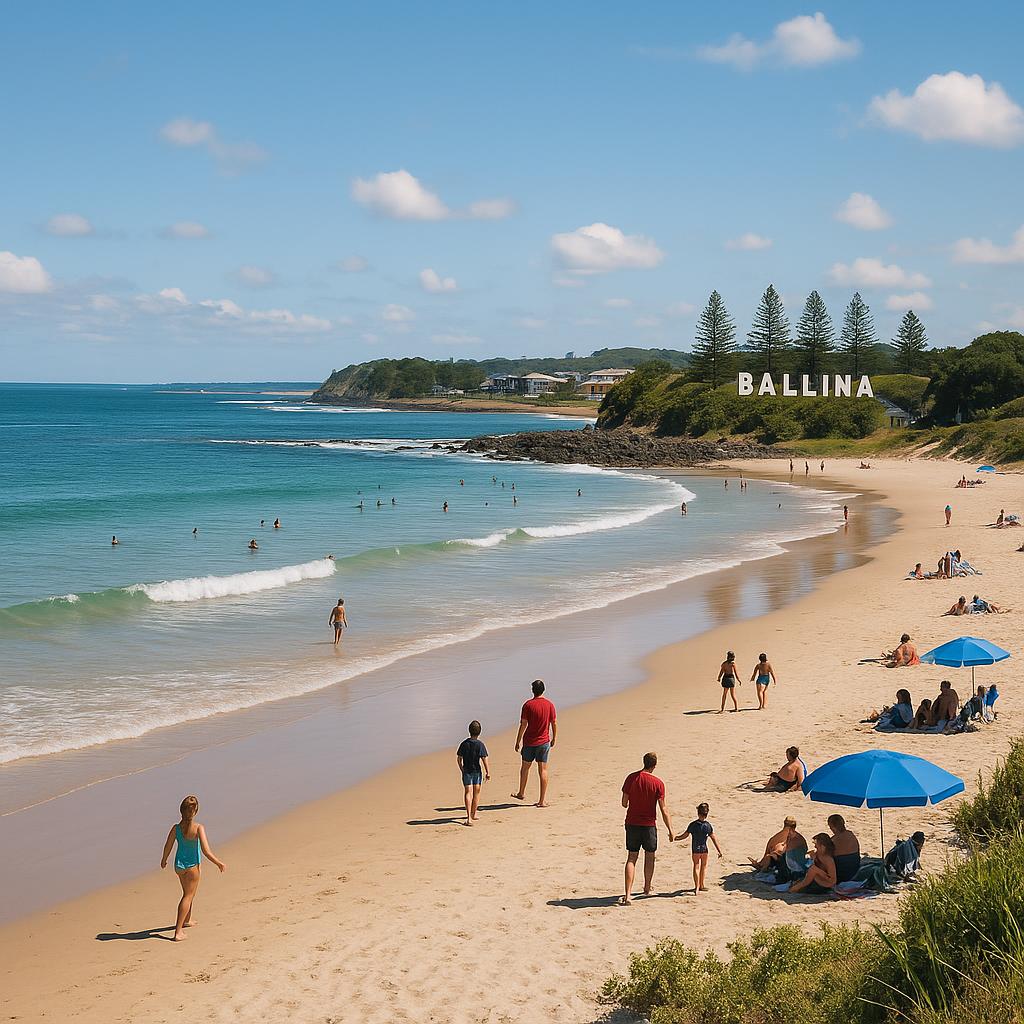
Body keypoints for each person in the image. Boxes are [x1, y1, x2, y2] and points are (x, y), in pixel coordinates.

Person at [160, 795, 225, 942]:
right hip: (192, 866)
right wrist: (218, 863)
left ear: (181, 810)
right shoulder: (198, 828)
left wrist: (164, 860)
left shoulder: (176, 828)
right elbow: (206, 851)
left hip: (178, 866)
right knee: (188, 896)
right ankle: (178, 932)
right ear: (195, 811)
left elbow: (168, 846)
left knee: (188, 892)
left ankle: (187, 919)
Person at [619, 752, 674, 905]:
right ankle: (647, 888)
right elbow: (664, 809)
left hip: (632, 823)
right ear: (654, 765)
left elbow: (624, 803)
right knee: (650, 856)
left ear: (643, 762)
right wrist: (670, 829)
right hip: (649, 825)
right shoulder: (658, 783)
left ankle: (628, 894)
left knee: (632, 857)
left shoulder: (631, 778)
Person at [512, 679, 557, 807]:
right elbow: (553, 723)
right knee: (542, 770)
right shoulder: (549, 705)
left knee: (525, 768)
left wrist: (518, 740)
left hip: (529, 742)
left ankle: (521, 792)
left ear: (533, 690)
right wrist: (554, 738)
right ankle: (542, 800)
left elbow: (523, 724)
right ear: (544, 689)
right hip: (543, 742)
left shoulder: (528, 705)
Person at [676, 802, 722, 894]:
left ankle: (696, 887)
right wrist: (719, 851)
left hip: (695, 850)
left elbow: (685, 835)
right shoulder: (708, 825)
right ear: (707, 813)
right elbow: (713, 838)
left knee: (696, 866)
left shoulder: (693, 825)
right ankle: (702, 885)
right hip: (704, 850)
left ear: (698, 812)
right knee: (703, 867)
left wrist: (676, 838)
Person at [456, 720, 490, 826]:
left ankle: (469, 817)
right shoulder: (480, 745)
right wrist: (488, 772)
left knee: (467, 792)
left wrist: (461, 768)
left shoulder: (464, 744)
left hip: (467, 771)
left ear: (469, 731)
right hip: (477, 772)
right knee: (476, 793)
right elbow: (484, 758)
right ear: (479, 732)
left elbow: (459, 758)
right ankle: (473, 813)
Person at [827, 815, 861, 883]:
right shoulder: (850, 834)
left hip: (842, 874)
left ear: (832, 827)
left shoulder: (835, 840)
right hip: (855, 870)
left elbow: (826, 856)